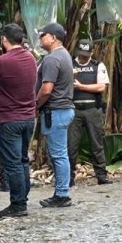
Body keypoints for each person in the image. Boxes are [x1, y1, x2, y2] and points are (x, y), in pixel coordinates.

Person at [0, 24, 39, 219]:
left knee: (13, 163)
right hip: (29, 118)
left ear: (4, 40)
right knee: (23, 160)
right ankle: (23, 198)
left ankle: (18, 204)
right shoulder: (31, 58)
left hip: (9, 119)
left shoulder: (0, 61)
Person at [35, 22, 76, 208]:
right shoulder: (65, 55)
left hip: (56, 110)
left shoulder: (52, 59)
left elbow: (46, 89)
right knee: (61, 154)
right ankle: (61, 191)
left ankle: (62, 194)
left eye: (43, 35)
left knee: (59, 154)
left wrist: (35, 105)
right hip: (64, 109)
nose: (40, 38)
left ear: (53, 37)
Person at [69, 38, 113, 186]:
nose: (83, 57)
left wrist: (81, 86)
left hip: (92, 109)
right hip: (73, 109)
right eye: (81, 54)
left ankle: (101, 176)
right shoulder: (70, 64)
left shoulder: (97, 65)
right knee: (71, 145)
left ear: (92, 52)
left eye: (86, 54)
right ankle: (68, 178)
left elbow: (101, 87)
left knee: (97, 144)